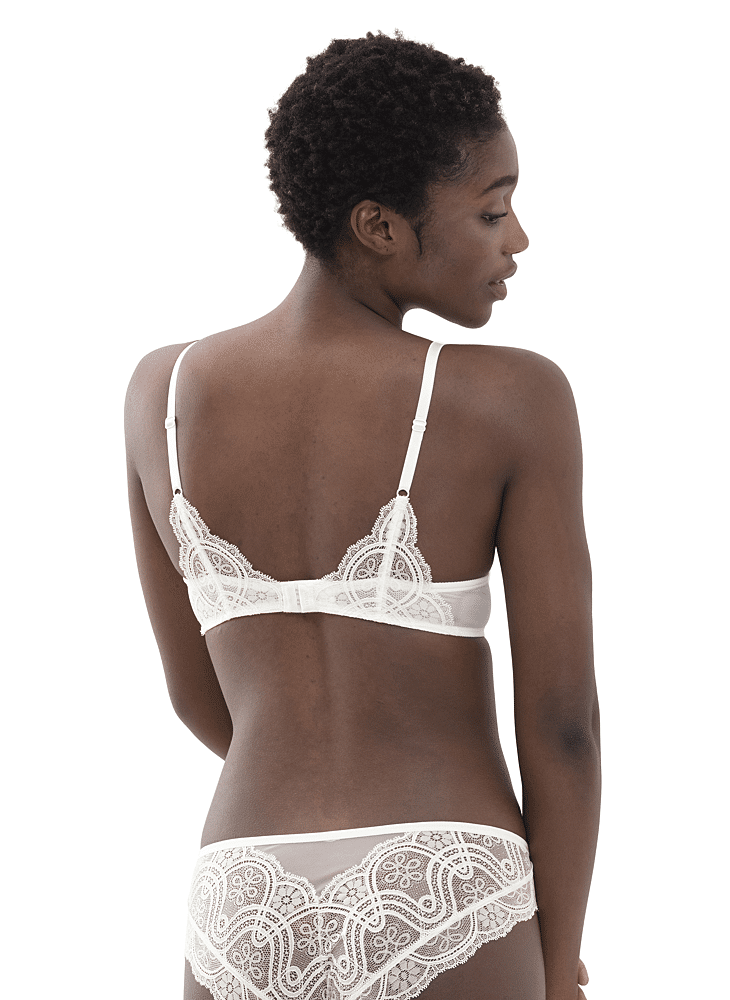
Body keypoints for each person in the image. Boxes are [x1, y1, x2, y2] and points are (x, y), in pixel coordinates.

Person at [125, 31, 600, 1000]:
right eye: (492, 210)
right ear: (379, 225)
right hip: (448, 875)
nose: (517, 240)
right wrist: (557, 965)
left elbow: (195, 696)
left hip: (243, 889)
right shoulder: (513, 398)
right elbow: (562, 726)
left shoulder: (161, 393)